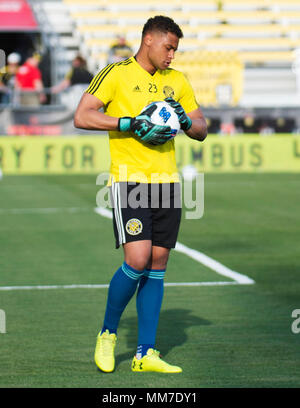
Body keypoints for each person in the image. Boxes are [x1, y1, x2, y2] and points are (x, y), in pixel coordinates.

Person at [74, 15, 207, 374]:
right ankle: (107, 333)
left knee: (158, 263)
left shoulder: (177, 81)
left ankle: (145, 353)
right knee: (137, 259)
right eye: (169, 47)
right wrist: (129, 123)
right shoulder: (115, 73)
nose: (172, 56)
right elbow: (83, 116)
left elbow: (201, 128)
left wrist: (183, 118)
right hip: (129, 181)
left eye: (176, 50)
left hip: (167, 183)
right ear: (149, 39)